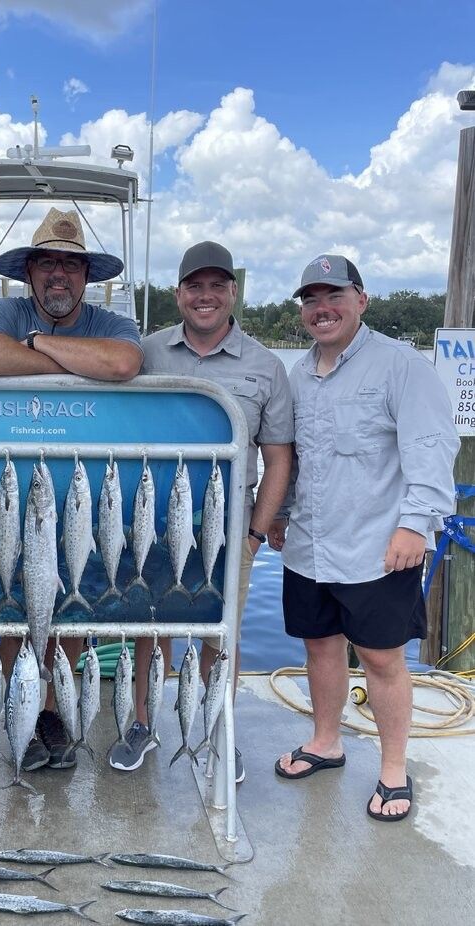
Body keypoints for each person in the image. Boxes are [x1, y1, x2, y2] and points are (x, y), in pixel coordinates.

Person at [269, 254, 459, 822]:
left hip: (379, 549)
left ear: (361, 300)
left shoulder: (401, 366)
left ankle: (393, 769)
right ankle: (327, 742)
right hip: (308, 545)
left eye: (334, 296)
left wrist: (415, 524)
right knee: (319, 646)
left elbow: (432, 448)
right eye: (310, 299)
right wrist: (279, 512)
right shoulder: (297, 376)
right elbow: (293, 458)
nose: (321, 309)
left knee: (381, 659)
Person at [0, 207, 143, 771]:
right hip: (10, 491)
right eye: (47, 263)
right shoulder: (1, 310)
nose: (59, 274)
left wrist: (36, 345)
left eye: (71, 264)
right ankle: (25, 712)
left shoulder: (110, 322)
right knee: (17, 608)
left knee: (67, 609)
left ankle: (54, 716)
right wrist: (63, 358)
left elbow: (122, 363)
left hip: (87, 494)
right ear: (29, 273)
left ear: (87, 277)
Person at [119, 241, 294, 779]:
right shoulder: (143, 353)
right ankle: (142, 726)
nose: (205, 296)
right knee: (150, 630)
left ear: (233, 293)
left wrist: (257, 534)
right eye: (195, 286)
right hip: (149, 522)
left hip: (229, 528)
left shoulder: (266, 366)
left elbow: (279, 457)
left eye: (217, 285)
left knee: (223, 636)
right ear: (178, 294)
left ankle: (220, 727)